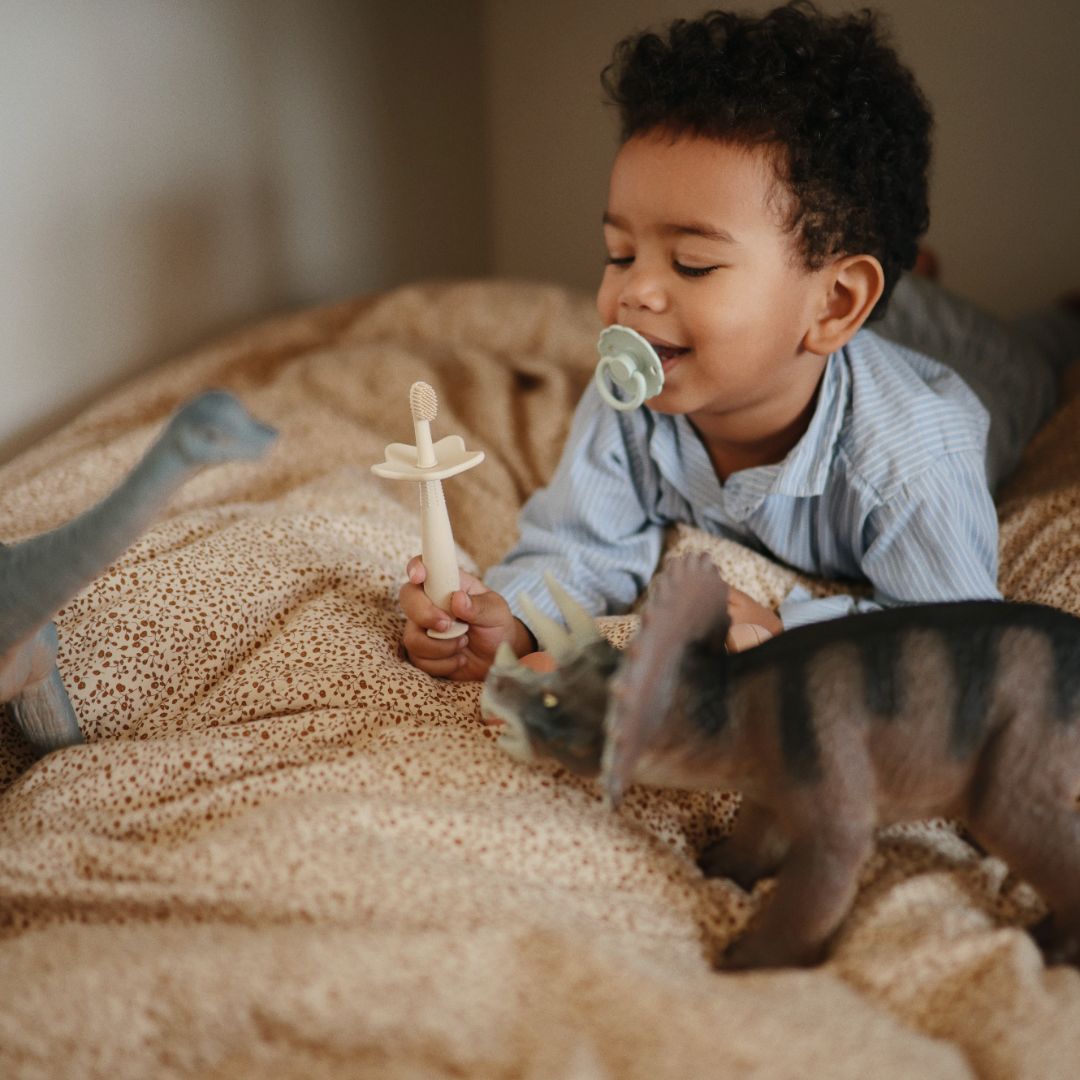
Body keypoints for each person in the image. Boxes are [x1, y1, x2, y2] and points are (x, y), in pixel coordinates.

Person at [399, 1, 1080, 681]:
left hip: (976, 363)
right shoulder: (631, 401)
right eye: (619, 252)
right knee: (900, 306)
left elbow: (953, 638)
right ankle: (911, 282)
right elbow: (579, 545)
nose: (635, 292)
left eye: (692, 263)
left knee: (1030, 355)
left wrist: (790, 632)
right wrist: (507, 622)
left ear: (836, 303)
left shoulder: (915, 451)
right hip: (841, 317)